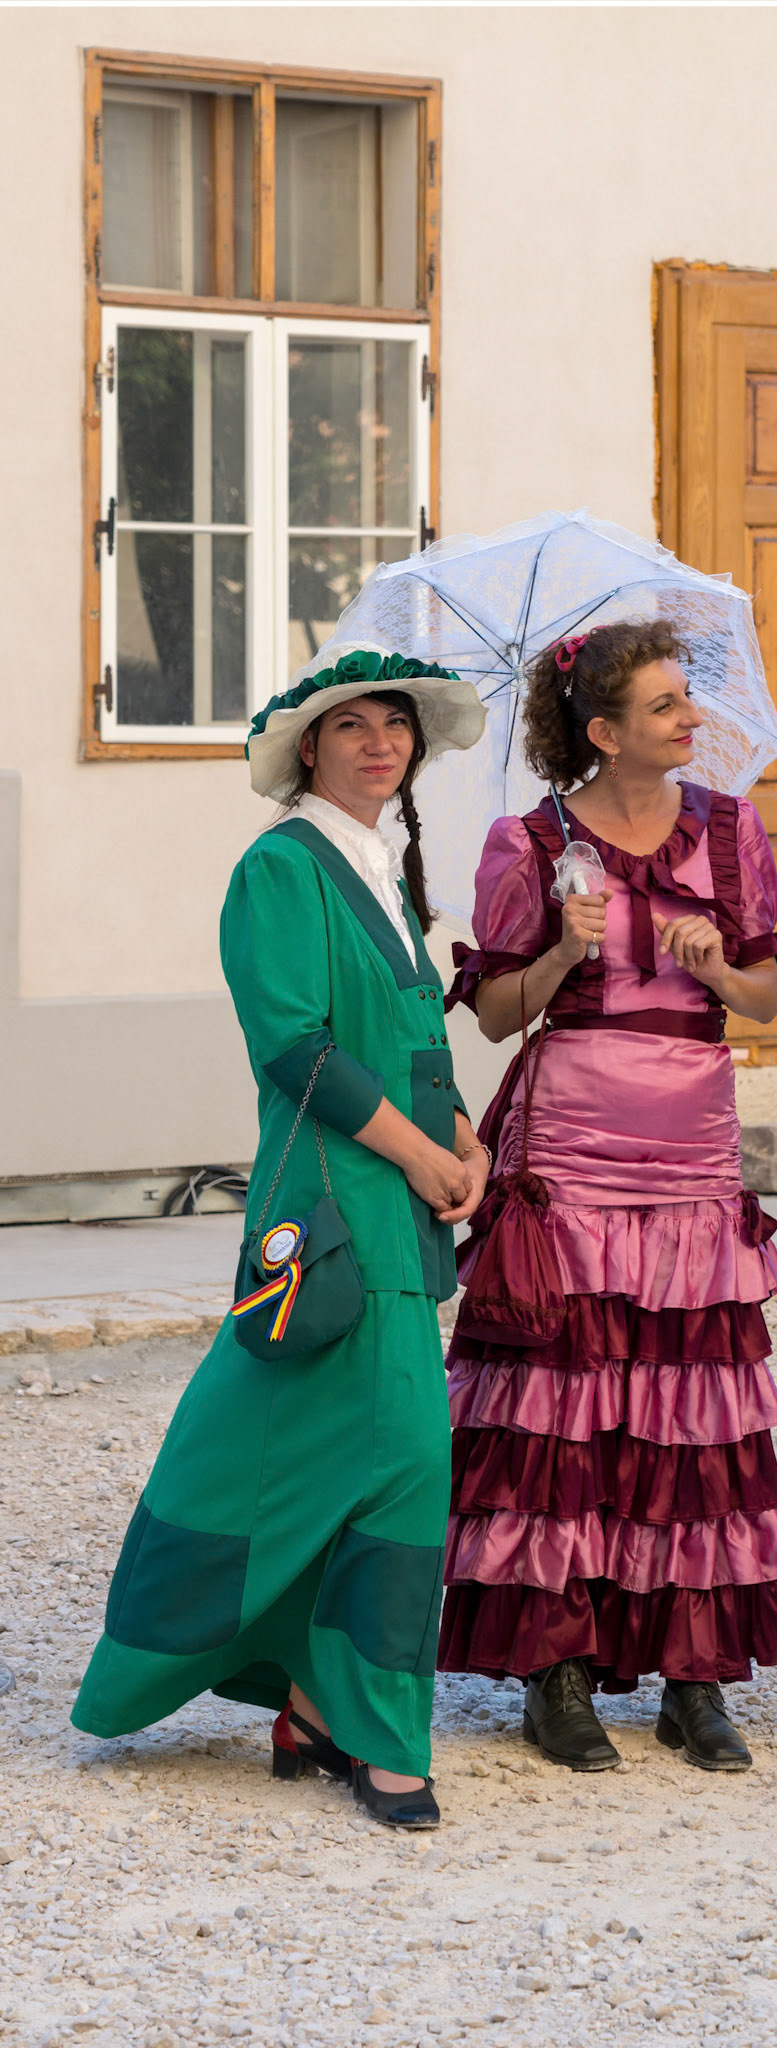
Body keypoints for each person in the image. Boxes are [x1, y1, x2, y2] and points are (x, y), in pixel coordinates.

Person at [74, 643, 490, 1830]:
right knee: (404, 1455)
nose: (380, 742)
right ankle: (380, 1729)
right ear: (308, 744)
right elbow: (295, 1048)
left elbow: (417, 1040)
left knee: (358, 1454)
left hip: (397, 1209)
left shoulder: (389, 869)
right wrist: (421, 1155)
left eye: (396, 725)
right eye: (353, 723)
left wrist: (463, 1135)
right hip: (328, 1204)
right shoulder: (278, 868)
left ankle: (314, 1699)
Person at [438, 619, 777, 1771]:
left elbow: (763, 1000)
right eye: (662, 706)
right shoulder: (531, 840)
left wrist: (712, 966)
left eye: (685, 699)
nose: (688, 720)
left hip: (690, 1152)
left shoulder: (731, 831)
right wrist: (558, 944)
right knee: (560, 1408)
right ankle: (554, 1673)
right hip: (572, 1151)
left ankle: (693, 1675)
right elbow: (500, 1015)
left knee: (689, 1405)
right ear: (603, 732)